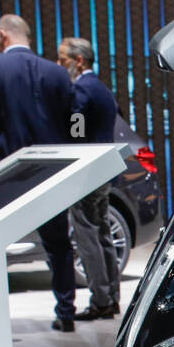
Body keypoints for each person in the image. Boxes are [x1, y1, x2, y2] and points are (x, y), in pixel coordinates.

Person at [0, 14, 78, 331]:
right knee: (58, 245)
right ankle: (66, 313)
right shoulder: (57, 73)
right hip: (52, 171)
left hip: (6, 173)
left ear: (2, 36)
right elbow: (72, 124)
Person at [57, 37, 122, 321]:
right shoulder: (103, 88)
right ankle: (112, 297)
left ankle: (100, 301)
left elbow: (76, 126)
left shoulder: (81, 88)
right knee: (102, 233)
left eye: (62, 60)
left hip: (86, 173)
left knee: (87, 238)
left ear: (78, 61)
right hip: (104, 171)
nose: (60, 65)